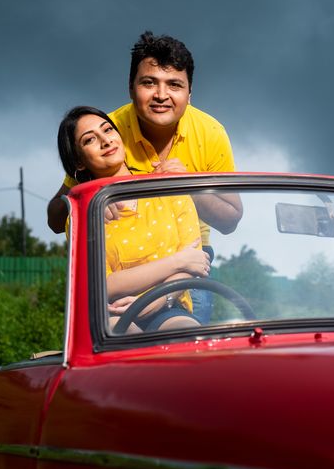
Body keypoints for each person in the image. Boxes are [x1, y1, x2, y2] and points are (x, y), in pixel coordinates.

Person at [47, 31, 241, 322]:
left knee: (187, 338)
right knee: (111, 339)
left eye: (174, 85)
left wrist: (187, 186)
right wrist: (88, 200)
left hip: (186, 261)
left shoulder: (211, 133)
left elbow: (231, 219)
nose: (161, 95)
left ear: (189, 94)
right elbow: (56, 218)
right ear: (131, 87)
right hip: (118, 269)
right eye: (149, 82)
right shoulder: (108, 130)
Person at [56, 105, 210, 332]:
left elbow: (195, 260)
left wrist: (153, 302)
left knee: (188, 336)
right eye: (90, 140)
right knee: (125, 342)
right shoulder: (83, 213)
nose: (106, 141)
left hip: (170, 305)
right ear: (78, 162)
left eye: (108, 130)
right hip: (112, 313)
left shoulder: (166, 187)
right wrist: (177, 261)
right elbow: (102, 284)